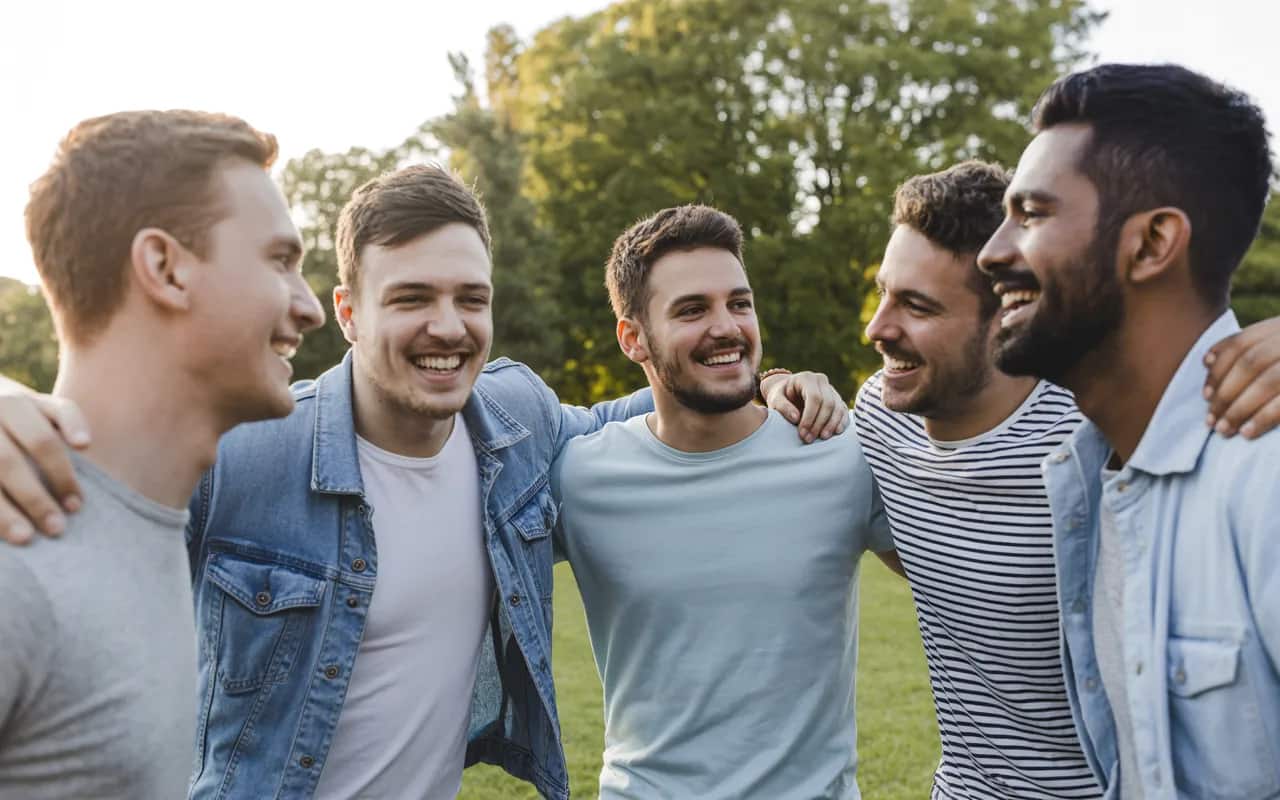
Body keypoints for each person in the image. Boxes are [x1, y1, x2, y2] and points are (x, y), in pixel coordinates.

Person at [0, 165, 847, 799]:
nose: (448, 328)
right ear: (347, 312)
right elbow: (97, 469)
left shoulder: (516, 422)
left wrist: (771, 383)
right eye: (411, 298)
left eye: (470, 298)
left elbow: (660, 402)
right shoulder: (251, 450)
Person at [0, 110, 325, 797]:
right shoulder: (17, 560)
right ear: (165, 268)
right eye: (280, 261)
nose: (310, 307)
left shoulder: (154, 529)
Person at [977, 63, 1280, 797]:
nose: (991, 251)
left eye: (1033, 213)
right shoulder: (1094, 481)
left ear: (1150, 245)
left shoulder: (1264, 474)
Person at [553, 204, 898, 799]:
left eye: (739, 303)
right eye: (692, 309)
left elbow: (966, 586)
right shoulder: (580, 475)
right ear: (632, 337)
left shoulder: (840, 455)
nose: (727, 326)